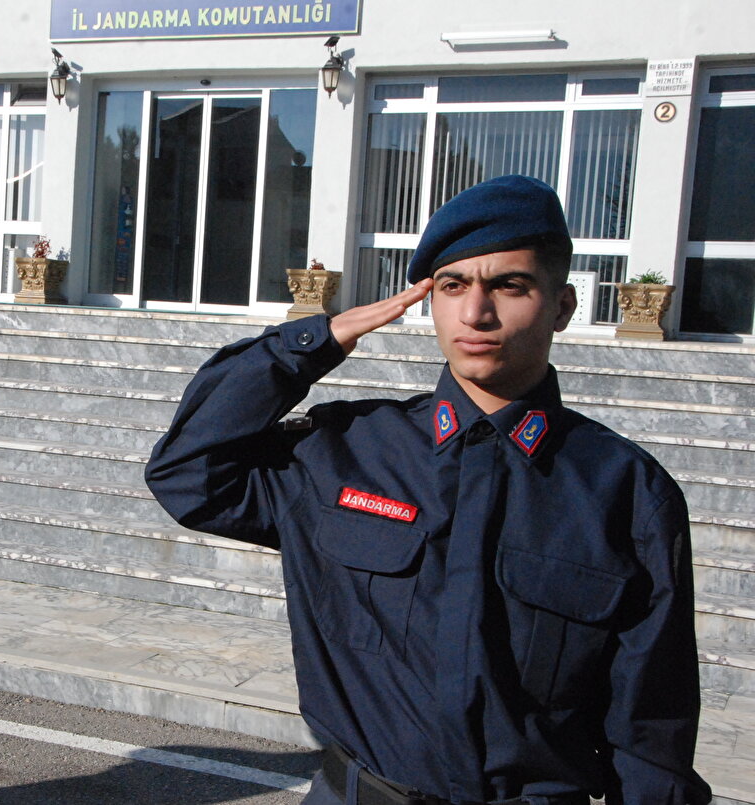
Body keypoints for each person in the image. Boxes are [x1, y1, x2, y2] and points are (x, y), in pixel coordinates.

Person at [146, 175, 710, 804]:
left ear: (562, 306)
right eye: (453, 286)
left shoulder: (625, 491)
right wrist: (309, 342)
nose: (476, 313)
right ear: (430, 301)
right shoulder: (342, 454)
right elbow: (188, 473)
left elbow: (652, 727)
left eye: (509, 285)